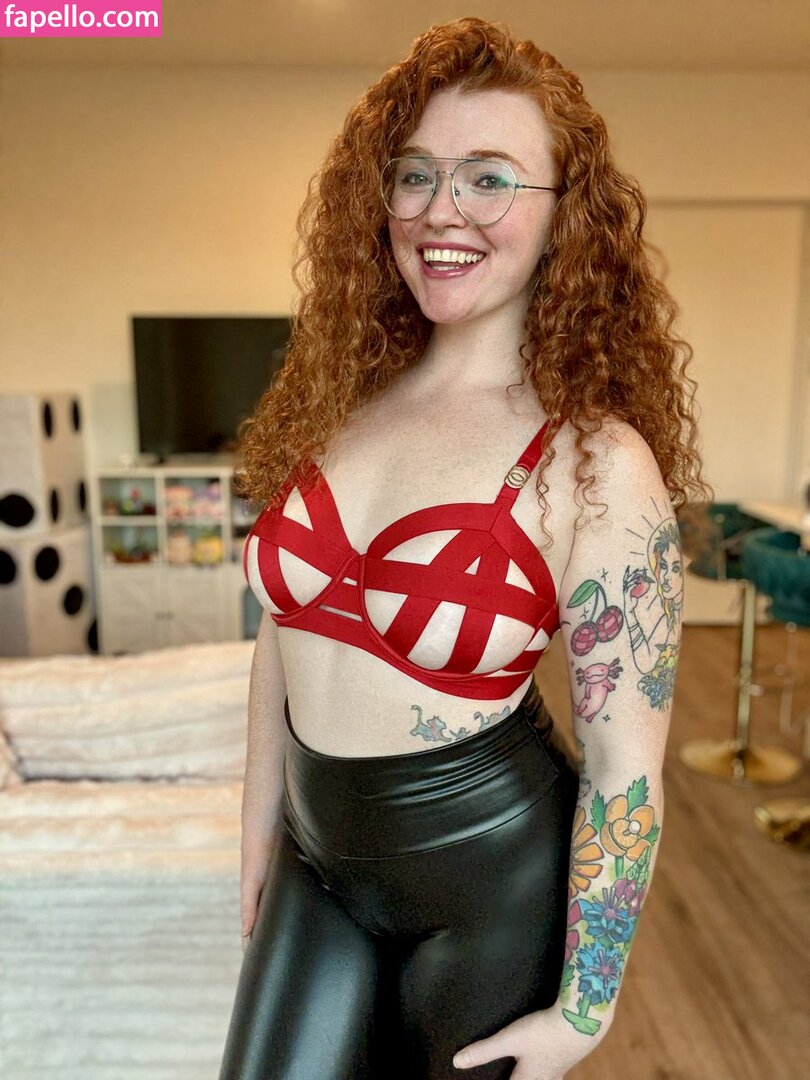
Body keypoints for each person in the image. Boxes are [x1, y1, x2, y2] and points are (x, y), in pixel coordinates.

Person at [219, 17, 707, 1080]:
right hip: (316, 862)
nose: (443, 209)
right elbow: (282, 632)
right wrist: (257, 834)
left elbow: (624, 769)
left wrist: (587, 1007)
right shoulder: (339, 403)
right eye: (417, 174)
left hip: (489, 884)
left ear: (564, 212)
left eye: (490, 178)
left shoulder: (595, 460)